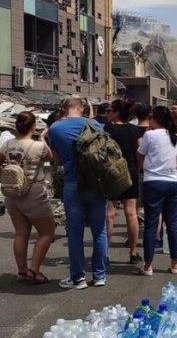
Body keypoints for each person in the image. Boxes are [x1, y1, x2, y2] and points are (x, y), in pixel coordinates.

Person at [49, 98, 108, 290]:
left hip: (73, 183)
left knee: (75, 232)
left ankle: (78, 278)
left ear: (63, 109)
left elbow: (56, 160)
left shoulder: (56, 128)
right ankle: (99, 276)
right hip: (97, 184)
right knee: (99, 231)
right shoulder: (96, 125)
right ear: (82, 109)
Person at [0, 112, 54, 284]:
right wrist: (44, 138)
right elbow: (50, 158)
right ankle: (34, 270)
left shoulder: (7, 144)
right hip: (33, 192)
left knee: (21, 233)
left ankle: (22, 272)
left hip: (12, 193)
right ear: (33, 127)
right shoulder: (38, 146)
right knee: (47, 232)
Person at [136, 106, 177, 276]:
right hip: (173, 182)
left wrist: (140, 168)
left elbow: (140, 155)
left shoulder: (149, 135)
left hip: (154, 181)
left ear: (156, 119)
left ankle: (148, 265)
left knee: (151, 223)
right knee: (172, 223)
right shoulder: (175, 137)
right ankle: (175, 263)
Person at [103, 100, 142, 265]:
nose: (107, 113)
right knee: (131, 213)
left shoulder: (109, 129)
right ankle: (133, 252)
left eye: (110, 110)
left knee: (109, 214)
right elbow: (140, 151)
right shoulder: (135, 130)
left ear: (117, 112)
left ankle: (105, 253)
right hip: (130, 170)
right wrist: (136, 167)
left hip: (112, 172)